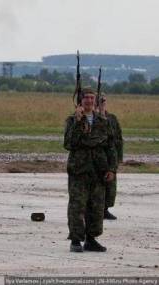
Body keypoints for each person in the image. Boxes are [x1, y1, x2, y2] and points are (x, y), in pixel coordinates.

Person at [64, 87, 117, 253]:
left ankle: (91, 239)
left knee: (96, 207)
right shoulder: (73, 120)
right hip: (79, 170)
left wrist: (111, 169)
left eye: (92, 98)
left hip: (98, 170)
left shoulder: (102, 121)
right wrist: (79, 122)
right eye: (86, 98)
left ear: (95, 101)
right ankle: (75, 240)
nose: (89, 101)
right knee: (77, 206)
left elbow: (110, 146)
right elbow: (69, 143)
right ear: (80, 100)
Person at [98, 94, 123, 220]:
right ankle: (96, 210)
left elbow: (118, 138)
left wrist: (119, 158)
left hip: (110, 156)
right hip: (98, 157)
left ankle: (105, 209)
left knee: (110, 186)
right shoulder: (91, 118)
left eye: (103, 101)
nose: (101, 103)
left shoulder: (112, 118)